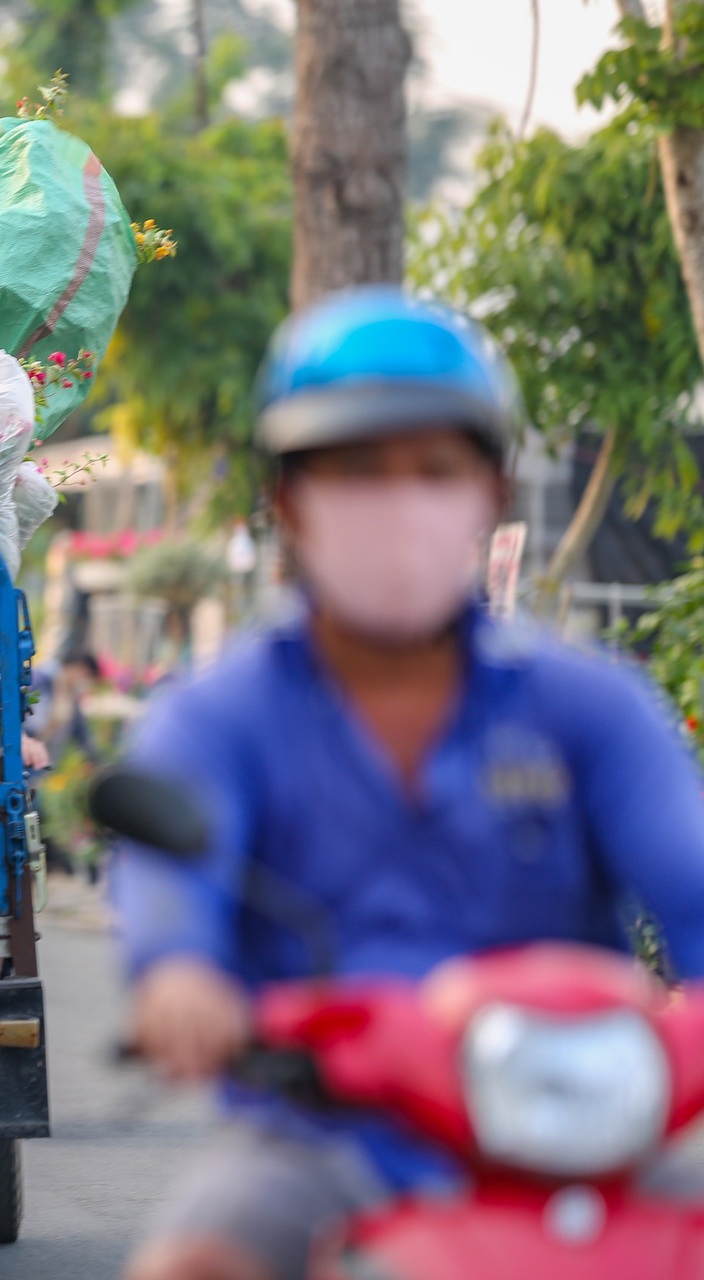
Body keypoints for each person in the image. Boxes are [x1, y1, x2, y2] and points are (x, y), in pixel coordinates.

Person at [113, 287, 704, 1280]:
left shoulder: (593, 706)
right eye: (356, 473)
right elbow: (175, 887)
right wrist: (181, 975)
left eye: (433, 470)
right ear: (290, 496)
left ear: (491, 487)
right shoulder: (216, 716)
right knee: (191, 1263)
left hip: (593, 1134)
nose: (398, 501)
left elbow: (689, 879)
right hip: (326, 1142)